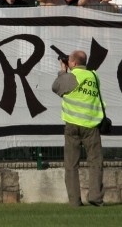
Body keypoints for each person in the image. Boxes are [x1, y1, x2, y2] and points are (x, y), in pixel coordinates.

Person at [51, 49, 105, 207]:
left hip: (72, 126)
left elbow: (56, 87)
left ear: (73, 63)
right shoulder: (94, 76)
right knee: (95, 163)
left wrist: (62, 70)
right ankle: (96, 197)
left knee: (71, 165)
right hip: (91, 125)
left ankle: (75, 201)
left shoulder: (70, 77)